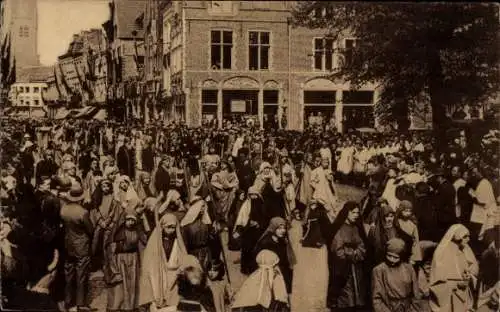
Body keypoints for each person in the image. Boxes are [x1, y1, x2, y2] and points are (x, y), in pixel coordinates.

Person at [138, 213, 188, 311]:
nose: (171, 230)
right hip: (159, 274)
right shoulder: (156, 241)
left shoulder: (177, 240)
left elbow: (182, 255)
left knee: (172, 302)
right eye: (169, 227)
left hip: (174, 275)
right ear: (163, 227)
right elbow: (150, 260)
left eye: (174, 227)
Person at [291, 201, 332, 312]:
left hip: (313, 248)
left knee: (312, 278)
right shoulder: (314, 216)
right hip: (310, 248)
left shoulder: (317, 215)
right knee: (310, 278)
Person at [328, 201, 368, 311]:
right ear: (347, 213)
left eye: (357, 213)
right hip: (343, 268)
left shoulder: (356, 228)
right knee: (345, 297)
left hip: (356, 267)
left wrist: (357, 254)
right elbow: (337, 250)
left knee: (356, 296)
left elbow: (362, 245)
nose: (356, 215)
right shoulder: (339, 229)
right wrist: (352, 254)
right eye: (353, 212)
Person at [60, 183, 93, 311]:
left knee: (69, 273)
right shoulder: (83, 212)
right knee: (82, 274)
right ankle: (81, 302)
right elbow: (90, 229)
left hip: (68, 243)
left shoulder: (64, 209)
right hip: (81, 245)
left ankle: (68, 300)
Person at [429, 224, 479, 312]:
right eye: (465, 237)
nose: (468, 239)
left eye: (468, 236)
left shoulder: (465, 249)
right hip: (450, 296)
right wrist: (454, 285)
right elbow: (437, 281)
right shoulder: (441, 253)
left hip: (464, 293)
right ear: (457, 237)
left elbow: (473, 268)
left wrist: (469, 276)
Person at [105, 210, 147, 311]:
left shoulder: (137, 231)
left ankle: (131, 305)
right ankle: (120, 305)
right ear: (124, 220)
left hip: (133, 259)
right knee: (121, 284)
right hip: (121, 259)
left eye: (133, 220)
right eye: (128, 220)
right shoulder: (118, 233)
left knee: (132, 282)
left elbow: (143, 242)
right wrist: (114, 267)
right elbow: (111, 250)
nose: (131, 222)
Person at [372, 238, 422, 312]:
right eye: (389, 256)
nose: (392, 260)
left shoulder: (409, 268)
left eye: (396, 257)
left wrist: (413, 310)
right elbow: (377, 299)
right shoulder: (379, 270)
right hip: (389, 308)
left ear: (401, 256)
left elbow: (416, 294)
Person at [255, 217, 293, 294]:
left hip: (282, 270)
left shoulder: (281, 240)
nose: (283, 231)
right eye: (279, 228)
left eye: (284, 228)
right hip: (271, 273)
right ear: (273, 228)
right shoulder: (266, 242)